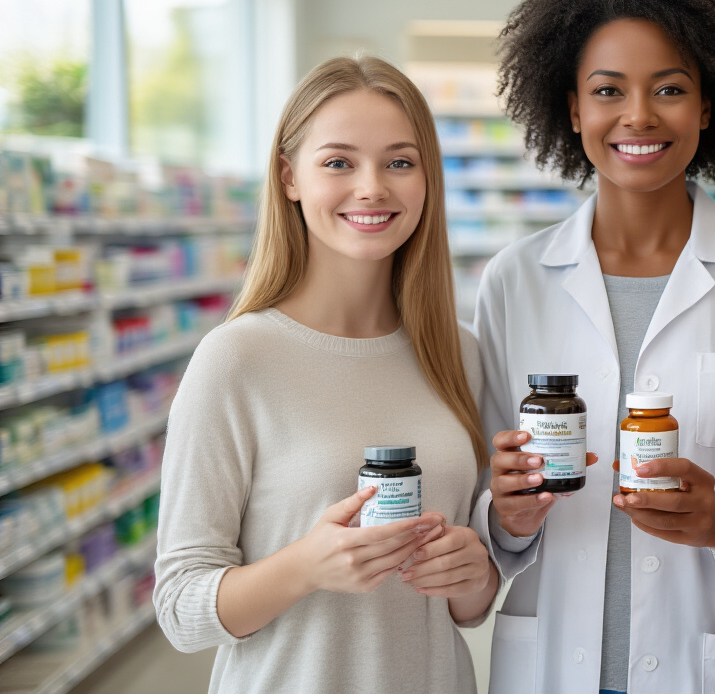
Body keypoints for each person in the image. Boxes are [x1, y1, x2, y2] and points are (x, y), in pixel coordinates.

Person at [472, 0, 715, 694]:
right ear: (572, 109)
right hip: (549, 664)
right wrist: (502, 512)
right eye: (607, 90)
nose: (637, 115)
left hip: (710, 665)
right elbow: (480, 484)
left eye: (669, 88)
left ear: (707, 105)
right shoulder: (514, 281)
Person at [153, 56, 498, 694]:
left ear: (428, 178)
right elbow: (180, 610)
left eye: (400, 162)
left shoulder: (460, 353)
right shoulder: (237, 359)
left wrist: (474, 573)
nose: (372, 188)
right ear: (290, 177)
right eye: (339, 162)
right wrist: (305, 567)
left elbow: (465, 608)